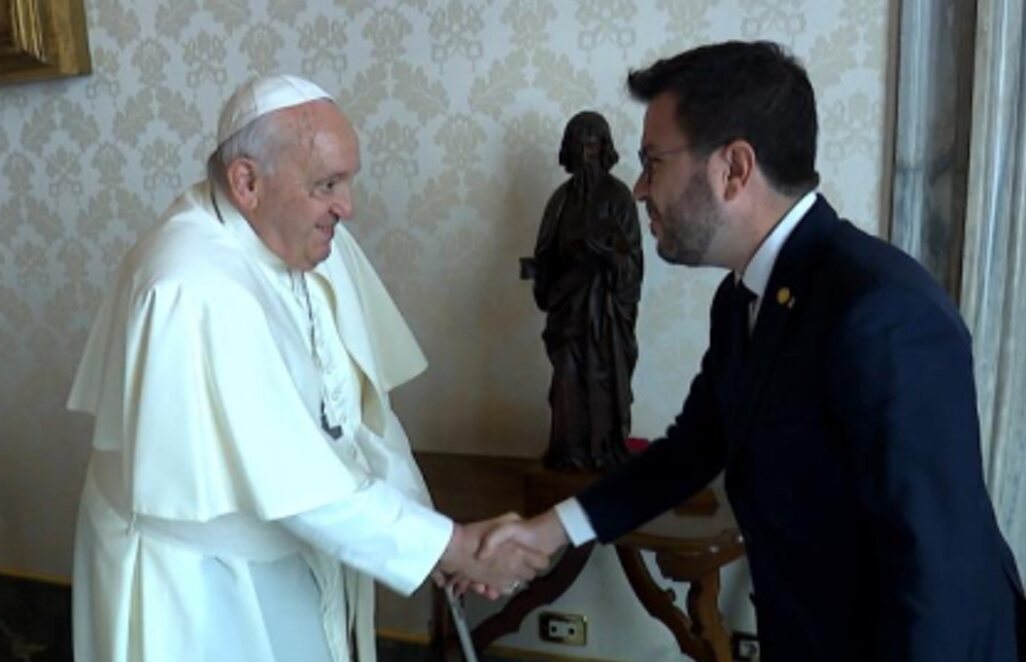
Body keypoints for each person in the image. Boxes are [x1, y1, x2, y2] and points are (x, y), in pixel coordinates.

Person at [484, 41, 1026, 661]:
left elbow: (937, 573)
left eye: (652, 161)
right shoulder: (742, 298)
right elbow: (692, 450)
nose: (638, 189)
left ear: (734, 169)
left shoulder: (883, 314)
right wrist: (548, 532)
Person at [67, 75, 545, 662]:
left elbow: (360, 416)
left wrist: (427, 532)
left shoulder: (313, 238)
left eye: (347, 180)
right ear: (247, 182)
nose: (348, 206)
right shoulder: (190, 287)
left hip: (298, 553)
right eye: (327, 184)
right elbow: (294, 486)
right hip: (201, 590)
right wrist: (447, 547)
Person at [522, 110, 643, 471]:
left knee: (603, 380)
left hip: (606, 316)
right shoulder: (560, 201)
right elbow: (547, 253)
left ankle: (605, 452)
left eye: (592, 146)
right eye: (579, 147)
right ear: (569, 152)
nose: (586, 155)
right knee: (568, 384)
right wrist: (539, 270)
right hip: (569, 312)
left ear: (604, 149)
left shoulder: (619, 197)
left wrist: (608, 258)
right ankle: (569, 452)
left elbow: (633, 263)